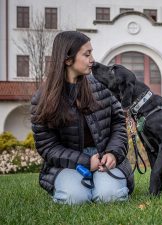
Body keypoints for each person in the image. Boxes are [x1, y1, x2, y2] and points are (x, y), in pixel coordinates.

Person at [31, 31, 134, 205]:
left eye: (91, 53)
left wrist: (113, 153)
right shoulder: (42, 99)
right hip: (67, 164)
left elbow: (118, 123)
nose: (92, 59)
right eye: (86, 54)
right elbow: (47, 146)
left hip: (104, 158)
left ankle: (102, 183)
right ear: (67, 59)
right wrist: (85, 162)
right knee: (74, 198)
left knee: (109, 197)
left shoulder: (101, 86)